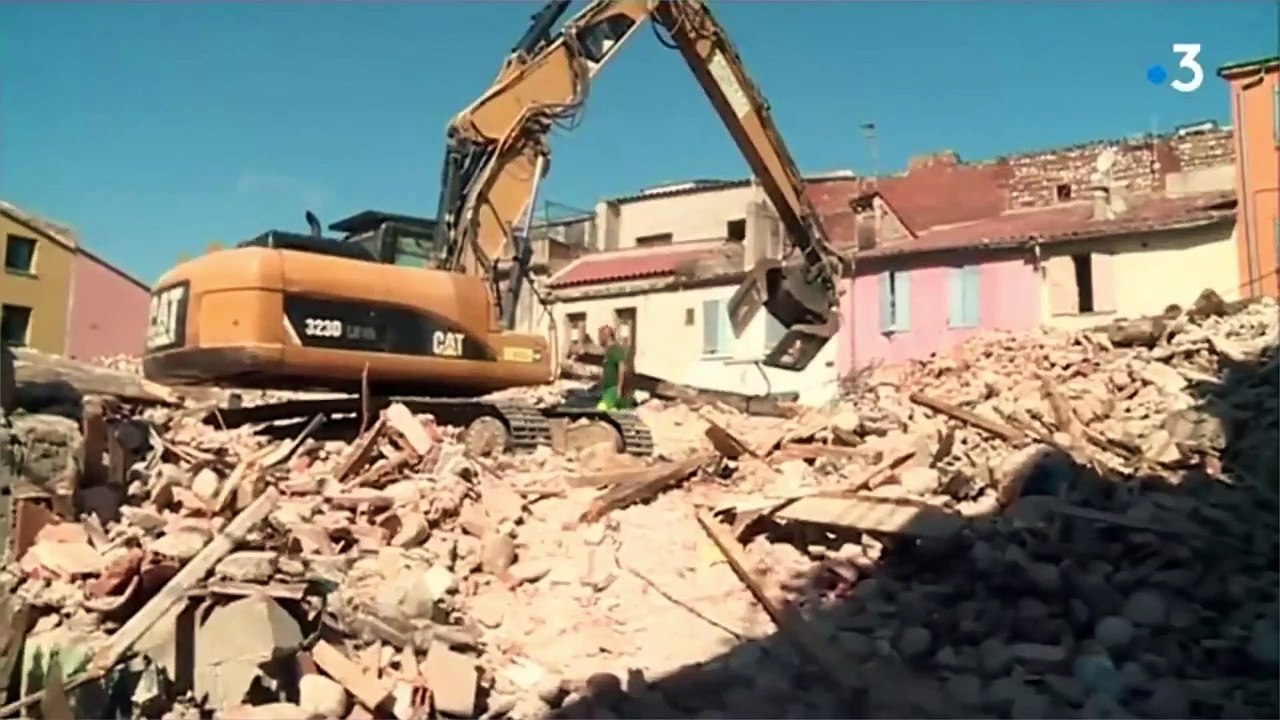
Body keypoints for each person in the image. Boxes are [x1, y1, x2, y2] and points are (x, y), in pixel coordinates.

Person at [596, 324, 633, 411]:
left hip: (612, 389)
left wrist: (619, 387)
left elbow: (621, 367)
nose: (599, 338)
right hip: (606, 389)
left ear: (606, 336)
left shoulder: (615, 349)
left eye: (600, 336)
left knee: (601, 410)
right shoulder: (608, 351)